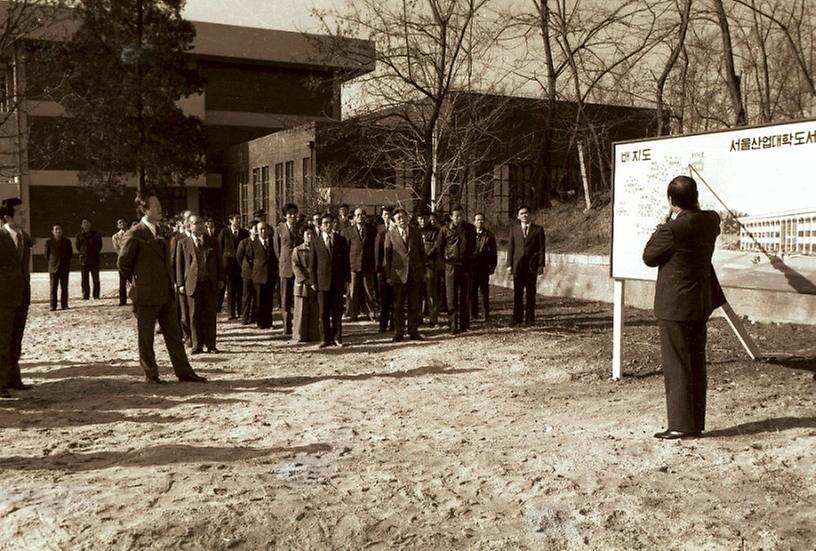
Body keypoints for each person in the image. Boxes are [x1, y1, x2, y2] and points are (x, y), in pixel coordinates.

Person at [643, 175, 726, 440]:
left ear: (671, 201)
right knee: (696, 362)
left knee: (677, 364)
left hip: (674, 306)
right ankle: (695, 423)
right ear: (696, 196)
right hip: (699, 302)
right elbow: (698, 217)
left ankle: (680, 425)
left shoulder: (672, 229)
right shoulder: (711, 220)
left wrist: (662, 226)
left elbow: (649, 257)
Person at [116, 195, 206, 384]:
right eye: (155, 205)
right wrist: (137, 282)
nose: (160, 208)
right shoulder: (135, 234)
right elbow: (123, 263)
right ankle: (151, 374)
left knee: (174, 335)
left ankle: (184, 372)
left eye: (159, 204)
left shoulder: (161, 231)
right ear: (145, 210)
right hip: (146, 294)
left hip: (165, 292)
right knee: (146, 336)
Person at [176, 214, 225, 354]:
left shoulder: (212, 242)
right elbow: (179, 265)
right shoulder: (183, 243)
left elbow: (219, 262)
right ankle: (196, 345)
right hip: (192, 284)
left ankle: (211, 345)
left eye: (201, 222)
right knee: (194, 315)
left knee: (210, 314)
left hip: (209, 283)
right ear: (189, 226)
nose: (200, 225)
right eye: (196, 223)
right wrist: (180, 283)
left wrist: (221, 279)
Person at [0, 198, 32, 397]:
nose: (24, 216)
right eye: (19, 213)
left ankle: (13, 378)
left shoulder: (23, 237)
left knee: (16, 340)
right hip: (2, 299)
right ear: (7, 217)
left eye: (24, 212)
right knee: (1, 341)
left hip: (21, 297)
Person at [384, 208, 426, 341]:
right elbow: (387, 258)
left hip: (415, 274)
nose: (402, 220)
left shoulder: (416, 233)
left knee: (414, 305)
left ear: (408, 218)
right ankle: (399, 332)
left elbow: (422, 254)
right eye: (398, 219)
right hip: (398, 275)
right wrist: (388, 276)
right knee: (398, 306)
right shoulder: (390, 235)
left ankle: (413, 331)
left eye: (403, 217)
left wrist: (423, 272)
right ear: (395, 222)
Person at [310, 213, 350, 347]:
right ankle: (325, 339)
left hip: (337, 282)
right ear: (320, 226)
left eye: (330, 223)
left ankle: (337, 338)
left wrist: (347, 280)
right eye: (325, 223)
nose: (328, 226)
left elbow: (346, 262)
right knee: (323, 313)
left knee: (337, 312)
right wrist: (313, 282)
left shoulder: (341, 240)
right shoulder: (315, 242)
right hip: (322, 283)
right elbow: (312, 265)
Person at [506, 205, 546, 326]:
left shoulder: (538, 230)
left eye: (526, 213)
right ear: (518, 216)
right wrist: (509, 265)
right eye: (522, 213)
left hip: (531, 267)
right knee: (518, 293)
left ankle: (530, 319)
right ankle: (517, 318)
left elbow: (541, 249)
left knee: (530, 293)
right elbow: (510, 248)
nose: (524, 215)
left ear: (530, 215)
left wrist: (541, 265)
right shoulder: (514, 229)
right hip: (518, 266)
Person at [440, 205, 475, 334]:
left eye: (461, 215)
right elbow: (440, 247)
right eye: (456, 216)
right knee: (451, 297)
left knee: (465, 296)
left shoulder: (470, 228)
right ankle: (453, 325)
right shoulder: (445, 230)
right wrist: (445, 263)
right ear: (451, 217)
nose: (459, 218)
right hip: (451, 266)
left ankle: (464, 325)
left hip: (466, 266)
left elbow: (473, 246)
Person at [344, 207, 378, 321]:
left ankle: (371, 312)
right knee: (353, 291)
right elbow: (346, 249)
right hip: (353, 265)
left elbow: (375, 248)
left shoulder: (372, 230)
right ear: (354, 217)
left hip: (368, 265)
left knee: (369, 290)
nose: (360, 217)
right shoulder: (348, 231)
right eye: (358, 215)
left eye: (362, 214)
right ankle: (353, 314)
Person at [245, 221, 278, 329]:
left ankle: (269, 322)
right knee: (259, 301)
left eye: (265, 229)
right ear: (257, 231)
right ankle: (260, 323)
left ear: (268, 230)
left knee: (269, 300)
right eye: (260, 229)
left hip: (270, 275)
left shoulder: (273, 243)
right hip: (258, 276)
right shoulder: (253, 244)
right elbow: (249, 258)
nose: (263, 231)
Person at [275, 203, 301, 336]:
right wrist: (283, 261)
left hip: (298, 267)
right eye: (289, 214)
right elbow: (276, 249)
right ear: (285, 216)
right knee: (285, 299)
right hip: (285, 267)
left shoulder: (300, 228)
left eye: (294, 213)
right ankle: (287, 327)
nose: (292, 216)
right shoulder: (279, 229)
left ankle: (297, 325)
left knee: (297, 297)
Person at [218, 212, 249, 320]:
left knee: (241, 289)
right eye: (236, 219)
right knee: (231, 290)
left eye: (240, 219)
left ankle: (240, 311)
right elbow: (219, 249)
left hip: (241, 265)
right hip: (229, 266)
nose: (239, 221)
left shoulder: (245, 233)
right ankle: (231, 313)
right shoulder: (224, 232)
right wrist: (221, 265)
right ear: (231, 220)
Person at [292, 228, 320, 343]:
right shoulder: (298, 250)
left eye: (311, 234)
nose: (309, 236)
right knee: (301, 310)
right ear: (303, 236)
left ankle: (314, 334)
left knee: (314, 310)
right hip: (302, 284)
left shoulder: (317, 249)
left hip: (314, 284)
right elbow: (295, 266)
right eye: (307, 234)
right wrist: (305, 278)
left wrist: (314, 279)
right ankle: (300, 335)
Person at [170, 210, 194, 346]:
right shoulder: (177, 239)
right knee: (183, 312)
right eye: (188, 219)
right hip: (182, 281)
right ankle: (186, 336)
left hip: (195, 280)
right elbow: (173, 262)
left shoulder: (200, 237)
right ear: (184, 222)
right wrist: (175, 281)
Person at [416, 211, 441, 326]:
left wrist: (426, 255)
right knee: (418, 293)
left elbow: (436, 246)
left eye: (424, 218)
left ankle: (433, 318)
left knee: (431, 293)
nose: (422, 221)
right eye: (420, 219)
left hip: (430, 265)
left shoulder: (435, 231)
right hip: (418, 266)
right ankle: (419, 317)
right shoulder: (414, 231)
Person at [471, 212, 497, 321]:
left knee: (484, 292)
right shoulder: (470, 234)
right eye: (477, 220)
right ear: (474, 221)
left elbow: (494, 253)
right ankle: (473, 314)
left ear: (484, 221)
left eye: (481, 220)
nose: (479, 222)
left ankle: (486, 315)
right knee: (472, 292)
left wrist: (493, 266)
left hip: (484, 267)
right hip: (472, 267)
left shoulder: (489, 235)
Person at [45, 223, 74, 311]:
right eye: (56, 229)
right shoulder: (49, 242)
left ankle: (64, 305)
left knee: (64, 287)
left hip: (64, 267)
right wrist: (52, 263)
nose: (58, 231)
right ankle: (52, 306)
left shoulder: (67, 241)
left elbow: (70, 253)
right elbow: (46, 255)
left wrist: (65, 261)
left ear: (62, 231)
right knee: (53, 287)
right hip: (53, 267)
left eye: (59, 229)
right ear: (52, 232)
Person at [374, 207, 395, 333]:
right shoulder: (381, 233)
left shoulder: (397, 234)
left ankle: (393, 323)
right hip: (383, 270)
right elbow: (377, 254)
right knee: (384, 300)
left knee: (395, 299)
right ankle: (383, 325)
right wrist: (378, 271)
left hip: (396, 271)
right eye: (385, 214)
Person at [76, 217, 102, 300]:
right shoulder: (79, 235)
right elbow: (78, 247)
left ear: (90, 224)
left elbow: (99, 246)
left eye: (87, 223)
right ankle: (85, 295)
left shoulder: (96, 234)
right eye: (84, 223)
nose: (86, 224)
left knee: (96, 279)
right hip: (84, 260)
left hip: (94, 259)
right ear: (81, 225)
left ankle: (96, 295)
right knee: (84, 279)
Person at [236, 224, 257, 325]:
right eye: (255, 229)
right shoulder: (244, 242)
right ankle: (244, 318)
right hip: (247, 273)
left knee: (257, 296)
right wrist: (245, 266)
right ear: (250, 230)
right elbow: (239, 257)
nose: (257, 231)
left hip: (258, 273)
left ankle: (254, 317)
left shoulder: (260, 242)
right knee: (246, 296)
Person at [112, 218, 129, 305]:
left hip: (132, 259)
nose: (121, 224)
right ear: (117, 226)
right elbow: (117, 249)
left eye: (123, 222)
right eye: (119, 223)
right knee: (122, 282)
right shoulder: (115, 237)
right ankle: (123, 300)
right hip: (122, 260)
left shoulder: (131, 233)